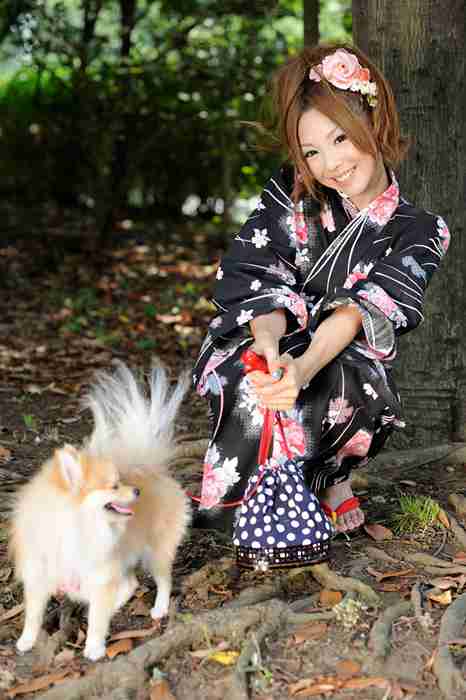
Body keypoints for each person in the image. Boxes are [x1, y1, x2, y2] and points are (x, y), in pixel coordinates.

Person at [191, 43, 450, 570]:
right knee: (249, 374)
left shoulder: (422, 230)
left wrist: (303, 366)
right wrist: (268, 349)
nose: (330, 164)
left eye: (340, 139)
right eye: (311, 152)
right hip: (277, 334)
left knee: (346, 385)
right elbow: (258, 276)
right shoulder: (292, 193)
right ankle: (267, 496)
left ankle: (330, 477)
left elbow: (360, 311)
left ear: (374, 121)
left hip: (339, 356)